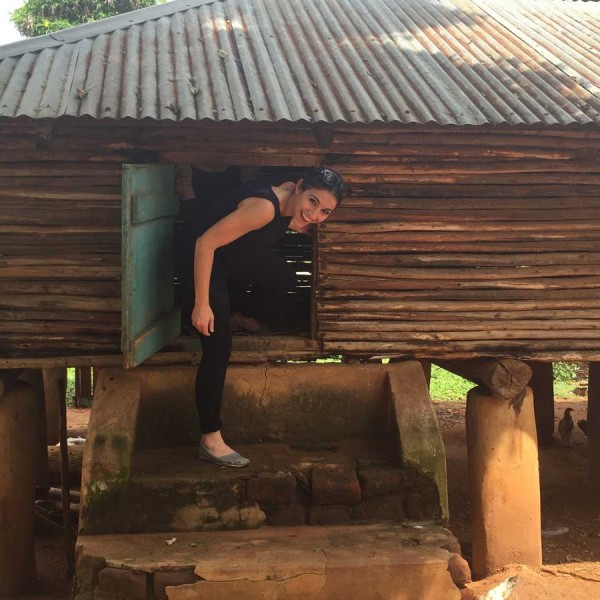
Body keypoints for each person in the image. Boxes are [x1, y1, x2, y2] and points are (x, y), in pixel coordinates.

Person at [180, 168, 345, 467]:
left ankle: (240, 316)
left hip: (227, 257)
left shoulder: (283, 198)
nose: (315, 214)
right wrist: (201, 303)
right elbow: (204, 243)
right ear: (298, 187)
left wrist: (299, 220)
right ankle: (210, 438)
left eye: (325, 211)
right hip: (202, 259)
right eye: (312, 201)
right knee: (218, 351)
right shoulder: (264, 208)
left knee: (281, 275)